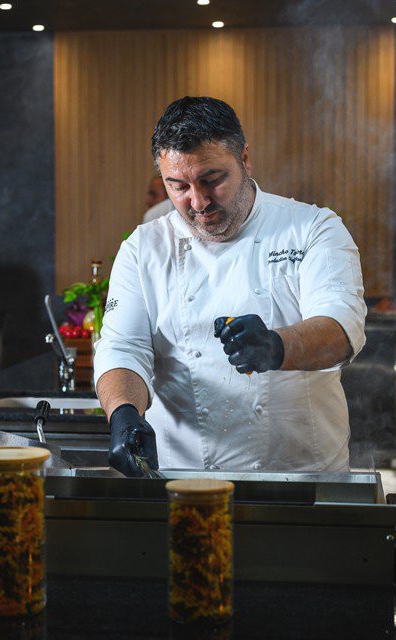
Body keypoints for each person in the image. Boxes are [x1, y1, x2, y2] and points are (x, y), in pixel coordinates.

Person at [93, 96, 367, 477]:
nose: (198, 201)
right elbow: (124, 348)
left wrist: (276, 346)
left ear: (245, 159)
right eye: (178, 186)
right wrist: (123, 413)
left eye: (212, 180)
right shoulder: (143, 249)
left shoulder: (312, 229)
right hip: (182, 478)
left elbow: (341, 328)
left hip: (302, 479)